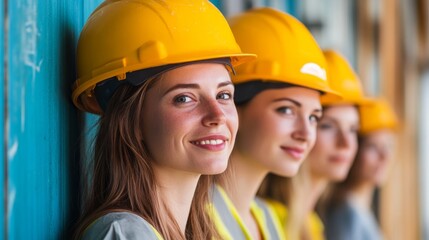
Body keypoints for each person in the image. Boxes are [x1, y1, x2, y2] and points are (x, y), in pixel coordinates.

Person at [71, 0, 255, 239]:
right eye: (184, 98)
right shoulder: (124, 233)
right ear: (131, 121)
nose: (217, 116)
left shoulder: (200, 232)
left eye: (223, 95)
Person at [210, 8, 341, 240]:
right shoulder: (192, 218)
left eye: (314, 117)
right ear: (231, 106)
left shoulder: (266, 217)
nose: (306, 133)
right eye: (286, 110)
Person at [259, 50, 371, 240]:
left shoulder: (312, 223)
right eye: (328, 126)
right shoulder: (267, 220)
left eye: (352, 129)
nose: (346, 143)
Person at [323, 98, 398, 240]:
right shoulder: (346, 214)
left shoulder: (360, 208)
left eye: (388, 146)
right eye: (372, 146)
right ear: (355, 151)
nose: (385, 157)